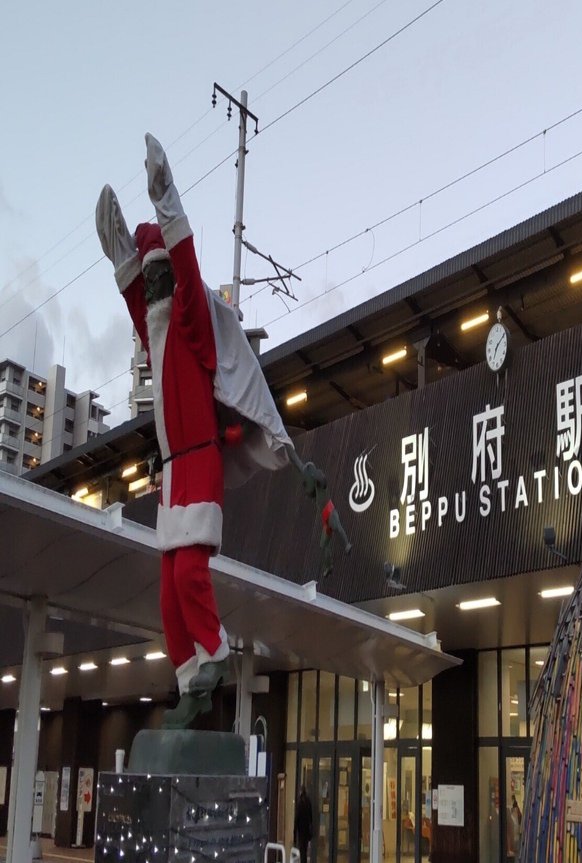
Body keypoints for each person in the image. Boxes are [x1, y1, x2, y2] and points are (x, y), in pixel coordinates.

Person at [96, 134, 318, 728]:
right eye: (154, 282)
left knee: (191, 574)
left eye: (161, 278)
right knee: (169, 591)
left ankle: (216, 652)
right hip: (173, 470)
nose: (160, 290)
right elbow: (139, 306)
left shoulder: (192, 319)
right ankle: (190, 676)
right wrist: (120, 252)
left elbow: (188, 277)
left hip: (199, 459)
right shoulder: (157, 330)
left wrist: (168, 204)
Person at [294, 786, 313, 863]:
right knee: (305, 850)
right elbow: (311, 817)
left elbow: (297, 819)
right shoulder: (308, 802)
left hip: (301, 831)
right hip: (307, 831)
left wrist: (295, 832)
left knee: (302, 852)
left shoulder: (300, 803)